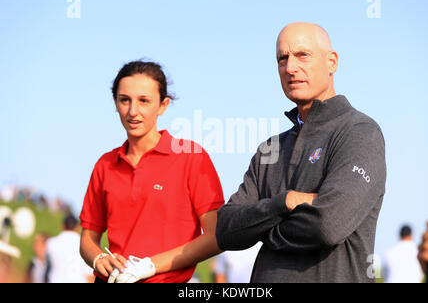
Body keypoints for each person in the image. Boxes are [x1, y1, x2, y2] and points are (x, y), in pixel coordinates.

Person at [215, 22, 387, 283]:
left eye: (302, 55)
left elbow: (327, 225)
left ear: (332, 62)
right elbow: (226, 228)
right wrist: (285, 202)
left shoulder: (359, 132)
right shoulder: (270, 149)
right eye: (282, 58)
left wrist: (260, 230)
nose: (290, 68)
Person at [79, 60, 225, 283]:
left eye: (144, 101)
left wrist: (149, 266)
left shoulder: (191, 157)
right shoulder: (105, 164)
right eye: (124, 100)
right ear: (116, 102)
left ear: (163, 105)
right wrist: (98, 258)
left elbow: (216, 237)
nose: (133, 111)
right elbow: (88, 239)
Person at [46, 214, 93, 283]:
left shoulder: (51, 243)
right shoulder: (85, 244)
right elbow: (89, 276)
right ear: (77, 227)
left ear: (62, 226)